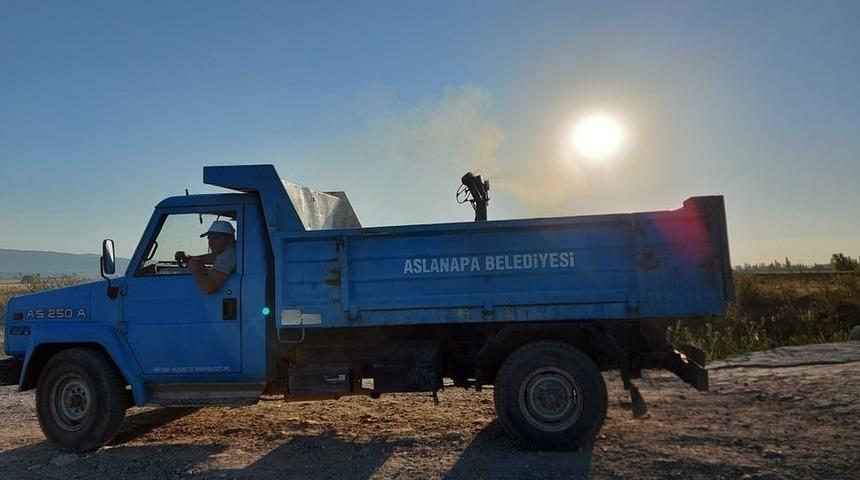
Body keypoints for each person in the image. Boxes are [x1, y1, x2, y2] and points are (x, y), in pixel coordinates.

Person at [174, 220, 236, 294]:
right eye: (209, 238)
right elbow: (214, 257)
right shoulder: (233, 251)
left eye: (216, 237)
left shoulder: (229, 255)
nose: (211, 242)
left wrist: (196, 270)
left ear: (229, 239)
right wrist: (189, 258)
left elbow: (208, 288)